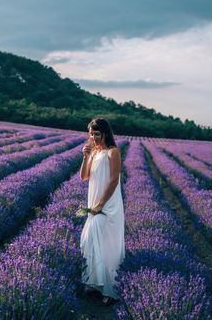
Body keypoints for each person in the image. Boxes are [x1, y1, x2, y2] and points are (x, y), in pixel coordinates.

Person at [79, 117, 125, 306]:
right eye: (91, 134)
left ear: (105, 133)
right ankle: (94, 283)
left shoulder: (112, 152)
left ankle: (110, 289)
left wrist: (100, 204)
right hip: (94, 203)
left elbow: (114, 180)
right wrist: (85, 156)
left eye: (96, 134)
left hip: (108, 205)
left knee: (106, 244)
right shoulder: (94, 152)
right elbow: (84, 177)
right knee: (90, 241)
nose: (93, 137)